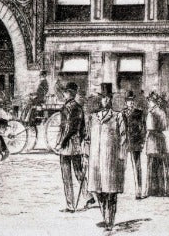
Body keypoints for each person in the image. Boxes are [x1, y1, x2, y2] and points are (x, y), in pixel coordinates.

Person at [84, 83, 127, 230]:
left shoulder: (118, 116)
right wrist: (86, 153)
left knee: (111, 192)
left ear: (111, 99)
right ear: (100, 100)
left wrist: (122, 155)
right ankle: (104, 216)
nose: (106, 101)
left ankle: (110, 220)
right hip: (95, 160)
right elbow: (88, 138)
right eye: (103, 98)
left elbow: (123, 138)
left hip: (111, 159)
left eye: (108, 98)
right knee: (98, 190)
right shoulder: (93, 118)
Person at [52, 82, 87, 211]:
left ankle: (70, 205)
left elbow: (69, 128)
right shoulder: (77, 107)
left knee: (67, 175)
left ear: (70, 93)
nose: (64, 94)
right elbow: (82, 129)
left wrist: (61, 142)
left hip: (67, 144)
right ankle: (88, 196)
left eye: (65, 92)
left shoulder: (70, 107)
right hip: (75, 144)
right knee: (78, 172)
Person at [144, 92, 169, 197]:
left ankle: (152, 190)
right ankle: (163, 189)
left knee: (152, 163)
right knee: (161, 164)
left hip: (153, 139)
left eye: (150, 101)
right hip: (160, 139)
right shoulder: (161, 111)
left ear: (152, 101)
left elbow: (150, 128)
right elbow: (165, 126)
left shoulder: (152, 112)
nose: (149, 103)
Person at [123, 91, 146, 198]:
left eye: (132, 101)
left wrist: (142, 141)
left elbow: (143, 128)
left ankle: (138, 190)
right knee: (122, 166)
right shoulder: (122, 113)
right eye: (128, 101)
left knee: (137, 167)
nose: (130, 103)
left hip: (136, 142)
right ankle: (121, 189)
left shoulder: (139, 113)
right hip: (124, 143)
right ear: (126, 102)